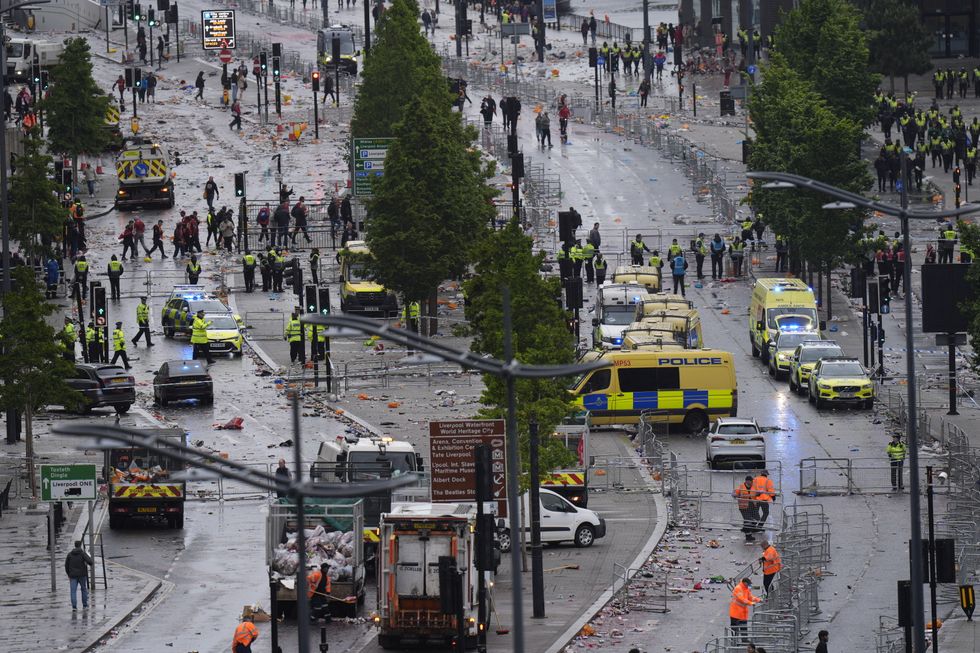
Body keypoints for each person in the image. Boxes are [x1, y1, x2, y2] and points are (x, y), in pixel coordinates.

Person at [729, 578, 761, 642]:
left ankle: (744, 640)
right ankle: (734, 640)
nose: (749, 585)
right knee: (735, 628)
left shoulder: (746, 588)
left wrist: (758, 600)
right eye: (748, 584)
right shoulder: (738, 588)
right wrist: (751, 603)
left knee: (743, 627)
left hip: (742, 613)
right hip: (735, 613)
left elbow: (750, 597)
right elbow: (742, 599)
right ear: (745, 583)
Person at [65, 540, 94, 610]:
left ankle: (74, 607)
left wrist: (68, 574)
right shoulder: (83, 554)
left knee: (73, 591)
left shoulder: (70, 554)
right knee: (83, 589)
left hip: (72, 576)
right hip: (82, 575)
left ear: (75, 545)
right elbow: (90, 562)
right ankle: (85, 606)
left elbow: (66, 565)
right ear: (80, 545)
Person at [734, 475, 757, 542]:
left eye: (752, 481)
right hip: (743, 507)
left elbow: (757, 493)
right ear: (747, 481)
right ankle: (748, 536)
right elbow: (734, 493)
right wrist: (736, 495)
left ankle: (745, 529)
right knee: (748, 521)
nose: (752, 482)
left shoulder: (753, 487)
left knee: (751, 521)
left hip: (751, 507)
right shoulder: (741, 487)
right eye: (751, 481)